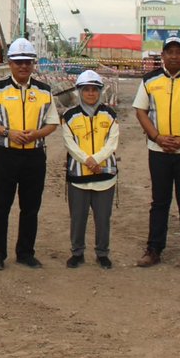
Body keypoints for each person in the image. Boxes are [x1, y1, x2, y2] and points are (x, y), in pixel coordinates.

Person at [0, 37, 60, 270]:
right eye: (18, 62)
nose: (23, 66)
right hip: (5, 155)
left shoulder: (44, 91)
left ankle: (25, 252)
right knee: (0, 206)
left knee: (30, 207)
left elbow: (52, 123)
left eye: (27, 62)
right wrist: (8, 132)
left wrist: (36, 134)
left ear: (33, 63)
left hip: (34, 157)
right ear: (10, 63)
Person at [133, 35, 180, 270]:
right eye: (170, 52)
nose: (174, 56)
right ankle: (154, 249)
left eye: (179, 52)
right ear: (163, 56)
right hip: (158, 151)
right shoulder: (149, 80)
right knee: (159, 202)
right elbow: (141, 111)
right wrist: (157, 137)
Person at [62, 70, 119, 270]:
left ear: (100, 91)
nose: (91, 93)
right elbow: (70, 143)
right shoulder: (69, 116)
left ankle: (102, 253)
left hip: (105, 176)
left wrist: (97, 160)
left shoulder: (110, 115)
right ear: (79, 91)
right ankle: (77, 253)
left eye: (95, 89)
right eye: (86, 89)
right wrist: (87, 160)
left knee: (103, 218)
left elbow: (112, 142)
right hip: (79, 176)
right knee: (78, 218)